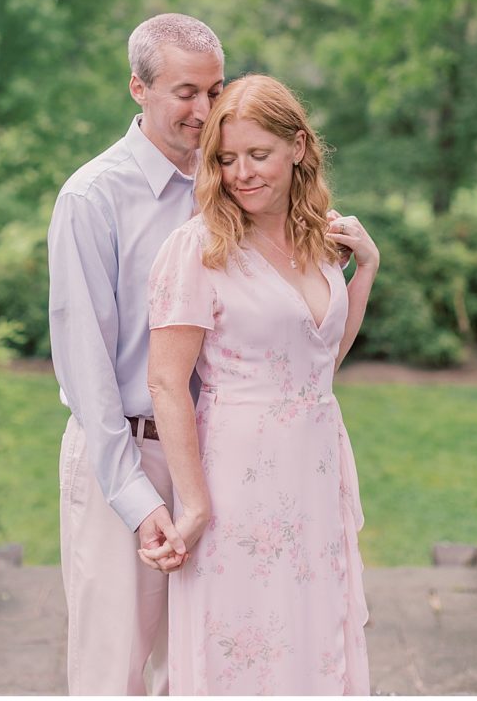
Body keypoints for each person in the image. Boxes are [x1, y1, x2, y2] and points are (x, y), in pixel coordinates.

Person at [141, 74, 379, 696]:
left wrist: (366, 270)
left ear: (298, 147)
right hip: (238, 473)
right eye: (226, 158)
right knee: (245, 639)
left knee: (312, 633)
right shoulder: (197, 248)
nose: (241, 173)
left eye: (258, 154)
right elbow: (167, 383)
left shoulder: (317, 237)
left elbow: (320, 359)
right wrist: (193, 506)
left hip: (315, 466)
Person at [48, 13, 225, 695]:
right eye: (185, 92)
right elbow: (87, 368)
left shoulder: (229, 188)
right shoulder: (93, 197)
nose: (204, 110)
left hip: (214, 458)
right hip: (121, 452)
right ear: (138, 88)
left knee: (201, 670)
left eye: (214, 91)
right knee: (111, 671)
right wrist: (135, 497)